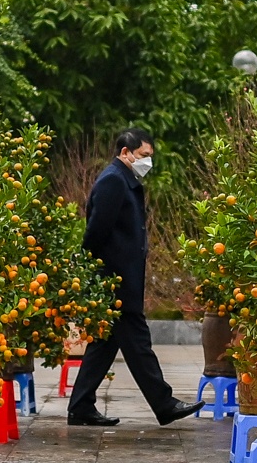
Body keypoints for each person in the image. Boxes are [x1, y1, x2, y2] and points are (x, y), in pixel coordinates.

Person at [66, 128, 199, 427]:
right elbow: (96, 232)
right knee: (138, 341)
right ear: (125, 153)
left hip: (119, 277)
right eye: (143, 156)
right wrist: (97, 272)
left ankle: (80, 406)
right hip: (115, 279)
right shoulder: (114, 180)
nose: (147, 162)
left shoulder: (125, 180)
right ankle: (164, 404)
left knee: (104, 344)